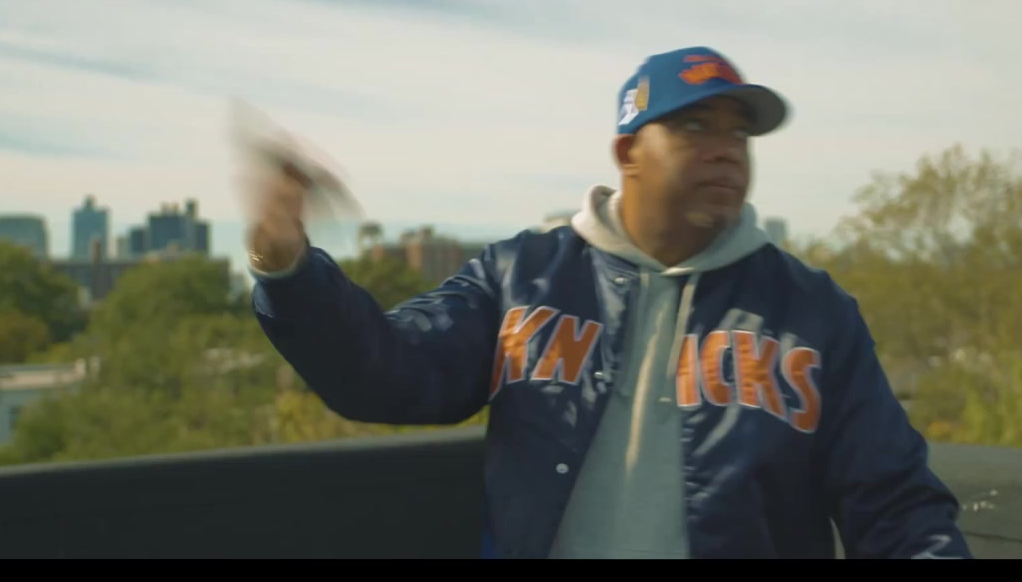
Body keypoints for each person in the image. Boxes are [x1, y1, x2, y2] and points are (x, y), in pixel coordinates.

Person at [244, 45, 973, 559]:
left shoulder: (811, 312)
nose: (726, 148)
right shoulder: (524, 277)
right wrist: (288, 269)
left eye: (739, 132)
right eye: (694, 125)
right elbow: (387, 371)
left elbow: (894, 503)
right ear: (628, 154)